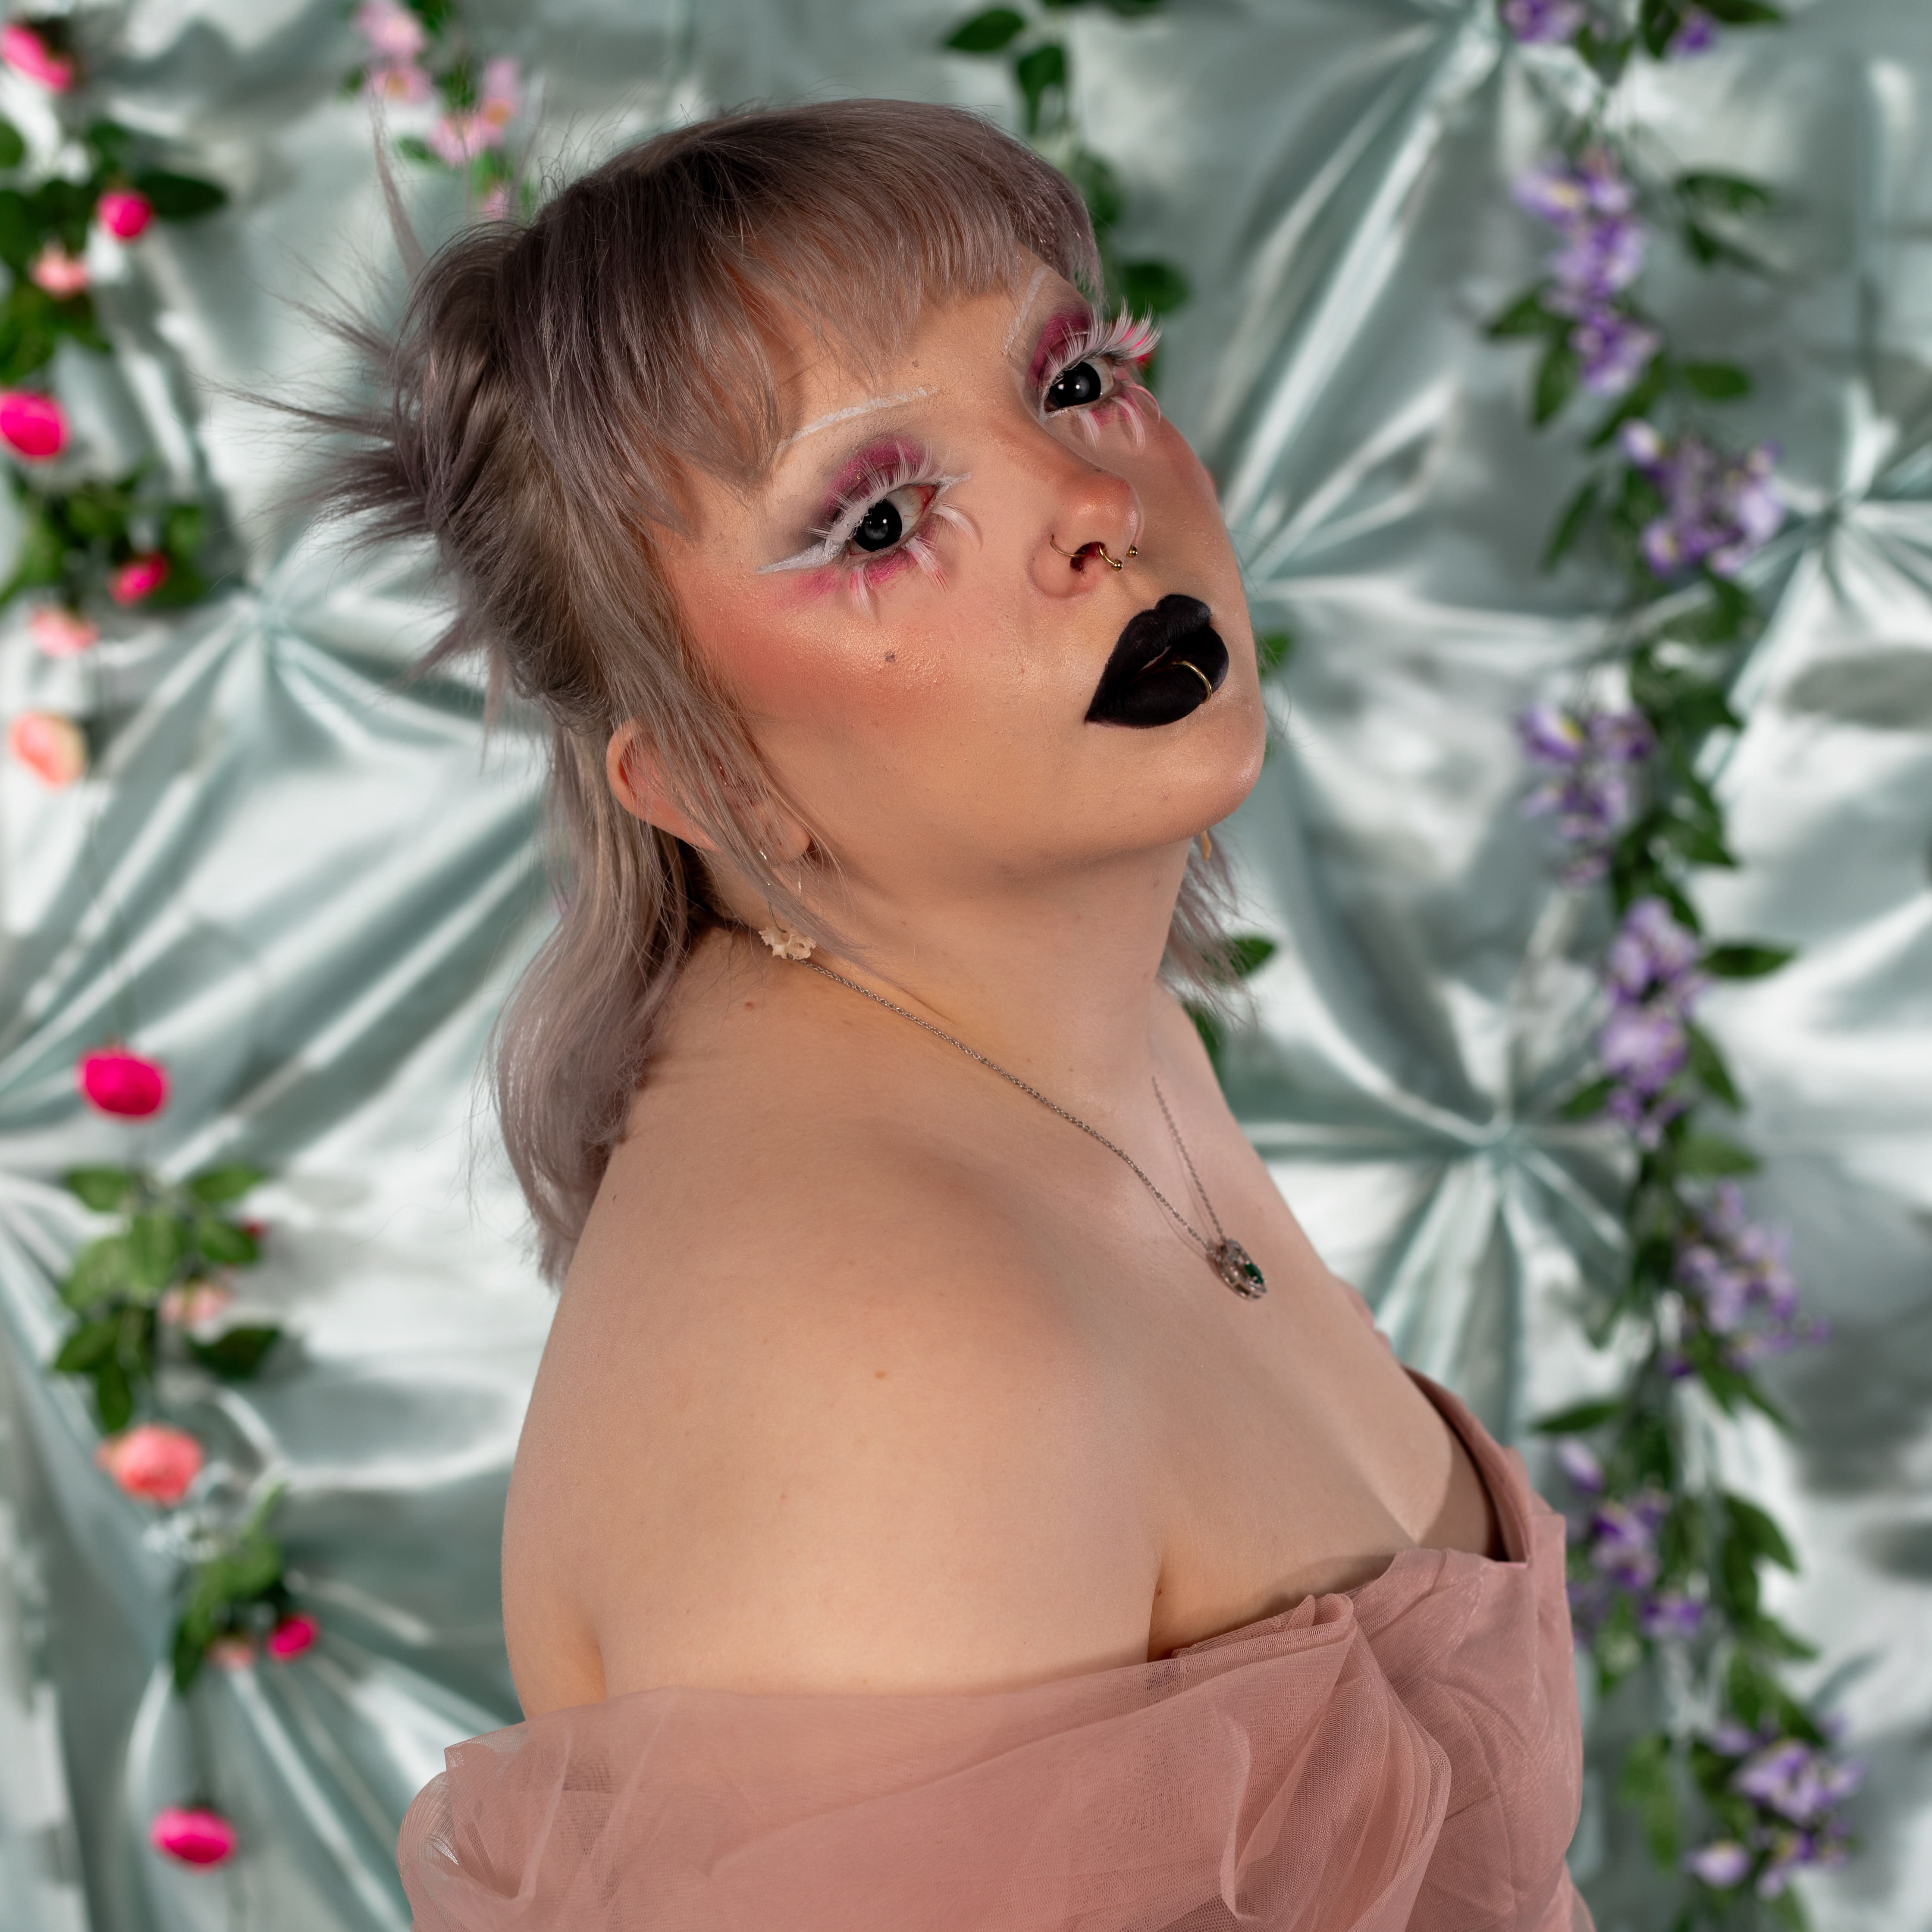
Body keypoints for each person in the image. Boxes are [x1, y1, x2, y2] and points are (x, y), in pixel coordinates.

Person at [329, 99, 1589, 1931]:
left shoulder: (1082, 1046)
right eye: (881, 516)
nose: (1097, 508)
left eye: (1071, 380)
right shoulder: (890, 1365)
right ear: (704, 780)